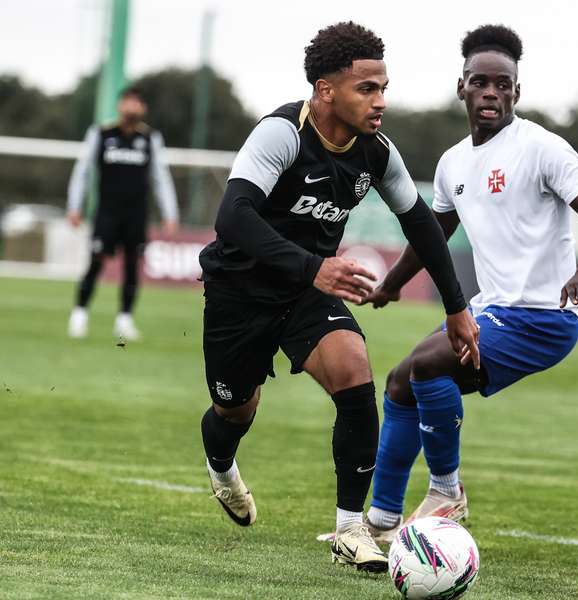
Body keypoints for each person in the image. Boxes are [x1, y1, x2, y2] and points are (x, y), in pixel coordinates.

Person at [196, 22, 479, 573]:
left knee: (354, 367)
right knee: (235, 408)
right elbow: (232, 217)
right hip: (239, 294)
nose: (380, 102)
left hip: (306, 293)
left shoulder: (376, 152)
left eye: (383, 88)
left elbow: (421, 224)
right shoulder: (282, 133)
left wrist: (456, 306)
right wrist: (313, 266)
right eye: (366, 89)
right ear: (326, 90)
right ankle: (222, 466)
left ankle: (352, 529)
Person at [360, 24, 578, 542]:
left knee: (429, 366)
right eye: (481, 82)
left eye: (503, 85)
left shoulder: (543, 149)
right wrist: (391, 285)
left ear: (516, 92)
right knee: (399, 381)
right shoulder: (453, 162)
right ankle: (381, 524)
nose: (491, 93)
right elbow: (433, 237)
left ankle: (446, 492)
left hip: (544, 318)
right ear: (462, 87)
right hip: (495, 308)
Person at [66, 86, 179, 341]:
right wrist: (75, 205)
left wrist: (169, 213)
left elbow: (161, 178)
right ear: (120, 105)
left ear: (143, 108)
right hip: (107, 212)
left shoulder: (150, 138)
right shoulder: (101, 134)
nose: (131, 107)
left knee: (131, 267)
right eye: (127, 102)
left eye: (137, 103)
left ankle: (124, 319)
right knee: (96, 262)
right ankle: (80, 313)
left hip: (135, 214)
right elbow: (83, 171)